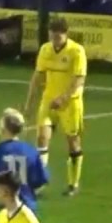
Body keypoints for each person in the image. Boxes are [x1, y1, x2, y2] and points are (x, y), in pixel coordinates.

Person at [25, 17, 87, 196]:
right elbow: (37, 77)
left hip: (71, 103)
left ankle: (73, 184)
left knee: (73, 141)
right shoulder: (45, 50)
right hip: (48, 100)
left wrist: (64, 98)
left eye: (58, 37)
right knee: (42, 138)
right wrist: (29, 103)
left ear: (65, 35)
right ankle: (40, 182)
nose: (55, 40)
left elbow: (79, 79)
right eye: (52, 36)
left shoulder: (77, 51)